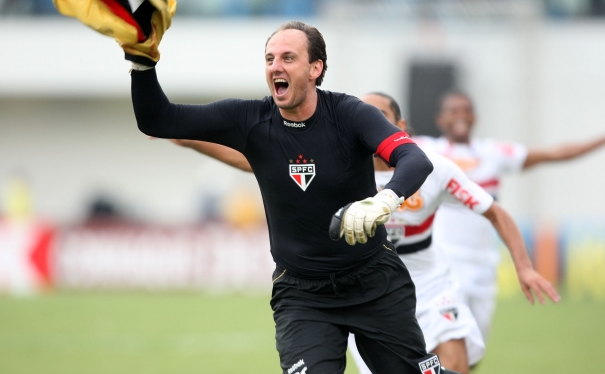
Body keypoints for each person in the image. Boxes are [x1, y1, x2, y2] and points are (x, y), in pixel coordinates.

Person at [129, 19, 448, 374]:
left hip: (376, 282)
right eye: (270, 59)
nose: (275, 66)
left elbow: (414, 158)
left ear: (315, 68)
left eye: (288, 57)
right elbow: (157, 119)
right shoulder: (250, 119)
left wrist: (383, 201)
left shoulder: (350, 114)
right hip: (302, 296)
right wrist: (142, 62)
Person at [171, 93, 560, 374]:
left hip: (428, 283)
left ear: (398, 127)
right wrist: (190, 140)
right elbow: (256, 161)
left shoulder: (430, 167)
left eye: (379, 117)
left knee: (454, 362)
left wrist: (524, 267)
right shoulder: (339, 161)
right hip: (366, 288)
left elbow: (494, 211)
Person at [415, 91, 605, 341]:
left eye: (467, 110)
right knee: (446, 343)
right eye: (453, 110)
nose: (461, 115)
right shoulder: (426, 150)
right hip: (442, 265)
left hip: (483, 267)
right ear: (440, 119)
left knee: (474, 348)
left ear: (475, 117)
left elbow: (554, 154)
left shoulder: (493, 152)